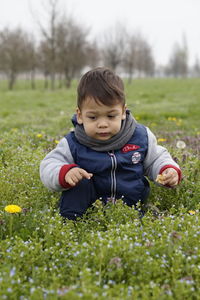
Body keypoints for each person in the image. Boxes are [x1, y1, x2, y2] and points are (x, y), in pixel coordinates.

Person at [40, 67, 181, 220]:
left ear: (122, 112)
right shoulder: (73, 143)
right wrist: (65, 172)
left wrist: (167, 170)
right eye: (93, 117)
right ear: (79, 116)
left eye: (111, 116)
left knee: (140, 208)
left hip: (131, 205)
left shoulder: (140, 136)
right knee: (80, 182)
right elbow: (49, 164)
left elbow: (155, 159)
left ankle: (136, 216)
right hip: (89, 208)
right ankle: (71, 223)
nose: (102, 124)